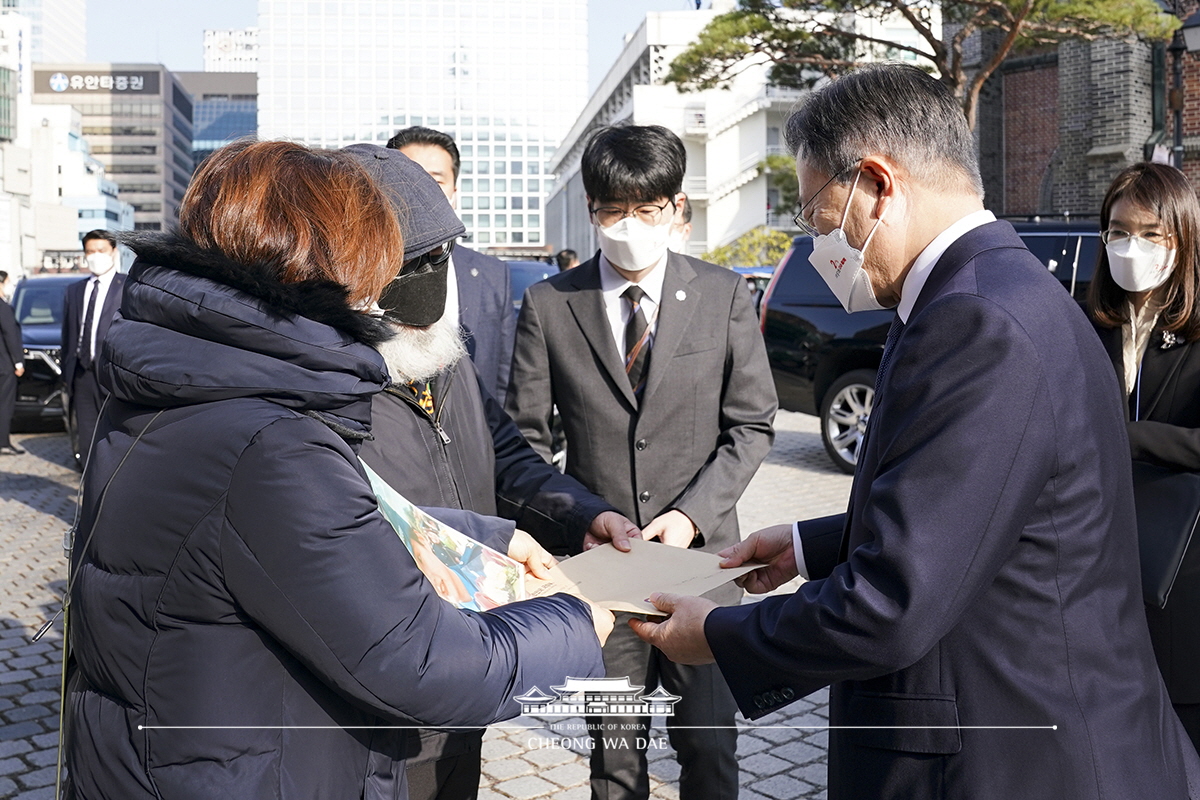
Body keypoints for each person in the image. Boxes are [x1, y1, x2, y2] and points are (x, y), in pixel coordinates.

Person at [631, 64, 1200, 799]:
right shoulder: (988, 293)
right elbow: (974, 509)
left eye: (815, 217)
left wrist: (718, 636)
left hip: (1009, 755)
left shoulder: (977, 320)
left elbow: (895, 600)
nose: (818, 246)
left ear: (876, 184)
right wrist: (807, 544)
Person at [63, 139, 612, 800]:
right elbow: (420, 663)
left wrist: (484, 538)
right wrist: (575, 624)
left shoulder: (192, 377)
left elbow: (261, 534)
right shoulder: (273, 437)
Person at [346, 143, 640, 800]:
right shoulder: (326, 390)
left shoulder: (442, 355)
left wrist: (585, 515)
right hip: (393, 682)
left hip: (471, 662)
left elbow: (506, 457)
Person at [506, 124, 777, 800]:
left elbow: (751, 424)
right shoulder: (549, 304)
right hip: (602, 575)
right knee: (614, 757)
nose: (628, 225)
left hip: (703, 570)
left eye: (645, 210)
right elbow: (525, 444)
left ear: (675, 207)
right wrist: (583, 520)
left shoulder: (722, 295)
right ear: (592, 211)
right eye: (611, 210)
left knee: (711, 748)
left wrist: (691, 514)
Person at [1087, 161, 1200, 755]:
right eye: (1118, 230)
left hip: (1183, 580)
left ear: (1181, 236)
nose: (1132, 246)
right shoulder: (1087, 323)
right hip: (1096, 575)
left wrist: (1127, 437)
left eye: (1150, 233)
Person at [387, 126, 515, 404]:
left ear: (454, 192)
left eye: (434, 182)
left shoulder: (493, 275)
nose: (420, 193)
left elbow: (504, 375)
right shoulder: (362, 272)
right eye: (408, 180)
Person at [61, 229, 126, 467]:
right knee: (86, 435)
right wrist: (66, 373)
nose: (95, 256)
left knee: (115, 433)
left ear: (113, 252)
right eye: (90, 251)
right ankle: (88, 481)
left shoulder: (127, 286)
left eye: (101, 251)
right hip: (81, 373)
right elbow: (67, 335)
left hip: (113, 373)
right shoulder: (75, 290)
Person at [0, 271, 22, 455]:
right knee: (5, 404)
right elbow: (11, 336)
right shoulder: (3, 308)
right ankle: (3, 443)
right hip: (5, 365)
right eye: (7, 282)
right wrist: (18, 363)